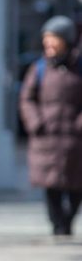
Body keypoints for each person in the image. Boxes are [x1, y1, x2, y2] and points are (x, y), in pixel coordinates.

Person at [19, 15, 82, 236]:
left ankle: (68, 221)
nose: (49, 44)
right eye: (46, 39)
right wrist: (36, 122)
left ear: (66, 40)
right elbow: (27, 98)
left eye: (54, 38)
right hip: (46, 137)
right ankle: (57, 224)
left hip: (75, 138)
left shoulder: (79, 67)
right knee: (50, 184)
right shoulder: (39, 68)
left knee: (76, 183)